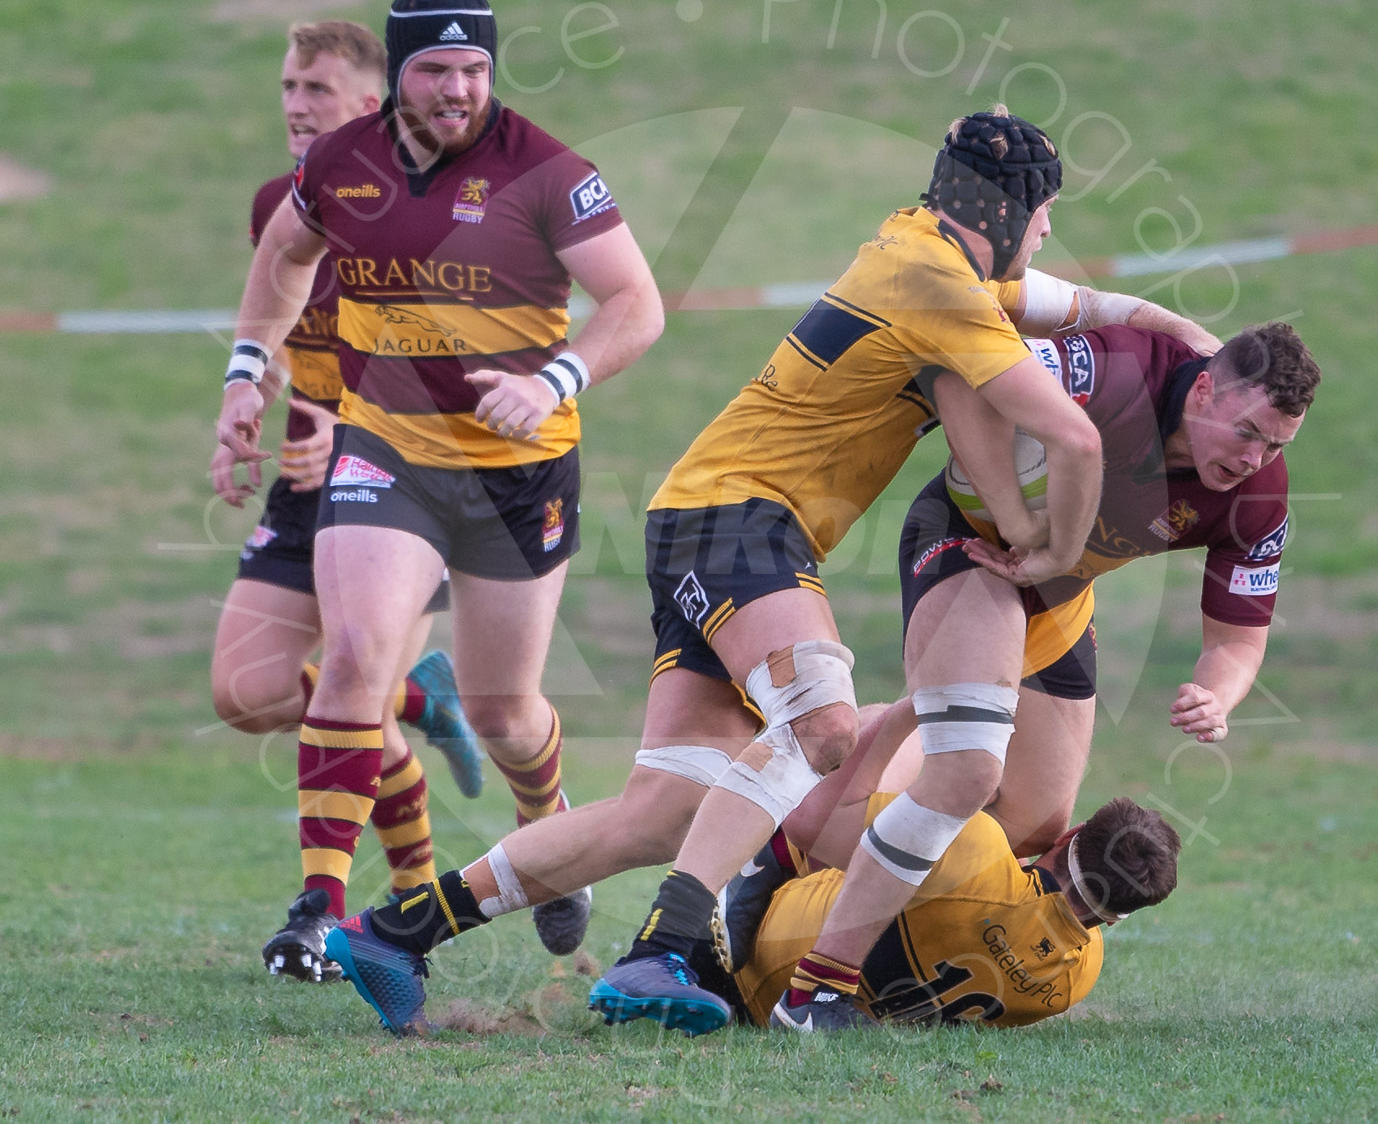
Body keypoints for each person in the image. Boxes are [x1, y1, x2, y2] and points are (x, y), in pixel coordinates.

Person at [315, 106, 1105, 1039]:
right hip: (740, 520)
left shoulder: (919, 250)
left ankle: (395, 931)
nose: (1048, 230)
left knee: (662, 811)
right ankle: (665, 947)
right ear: (1010, 208)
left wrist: (1167, 323)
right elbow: (1074, 432)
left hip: (710, 518)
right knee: (821, 719)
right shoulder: (939, 282)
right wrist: (1053, 551)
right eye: (1046, 210)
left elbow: (1040, 304)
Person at [213, 0, 664, 974]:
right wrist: (249, 373)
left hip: (517, 470)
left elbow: (637, 302)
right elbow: (285, 257)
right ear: (400, 74)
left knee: (507, 709)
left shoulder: (545, 170)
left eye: (475, 69)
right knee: (358, 654)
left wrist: (556, 378)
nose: (459, 89)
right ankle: (319, 910)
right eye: (437, 70)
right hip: (385, 452)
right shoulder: (341, 161)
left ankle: (549, 825)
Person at [769, 320, 1320, 1028]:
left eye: (1277, 444)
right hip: (974, 546)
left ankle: (866, 916)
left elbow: (1238, 642)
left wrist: (1218, 693)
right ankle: (809, 961)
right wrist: (1020, 525)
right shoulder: (1114, 370)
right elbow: (953, 371)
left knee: (1034, 826)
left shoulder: (1259, 495)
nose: (1257, 458)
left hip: (1059, 597)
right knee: (967, 767)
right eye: (1248, 433)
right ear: (1206, 389)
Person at [209, 19, 488, 983]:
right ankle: (425, 697)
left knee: (346, 691)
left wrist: (356, 417)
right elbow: (286, 323)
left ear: (370, 104)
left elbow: (468, 361)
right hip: (305, 482)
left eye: (317, 89)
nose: (295, 103)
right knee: (243, 693)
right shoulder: (277, 206)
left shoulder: (442, 208)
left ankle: (384, 919)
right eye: (288, 85)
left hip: (409, 480)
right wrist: (250, 406)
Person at [692, 708, 1181, 1029]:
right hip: (770, 1012)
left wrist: (910, 711)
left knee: (939, 759)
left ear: (1071, 835)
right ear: (1120, 915)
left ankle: (761, 867)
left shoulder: (975, 846)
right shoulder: (1077, 980)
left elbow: (817, 820)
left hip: (740, 959)